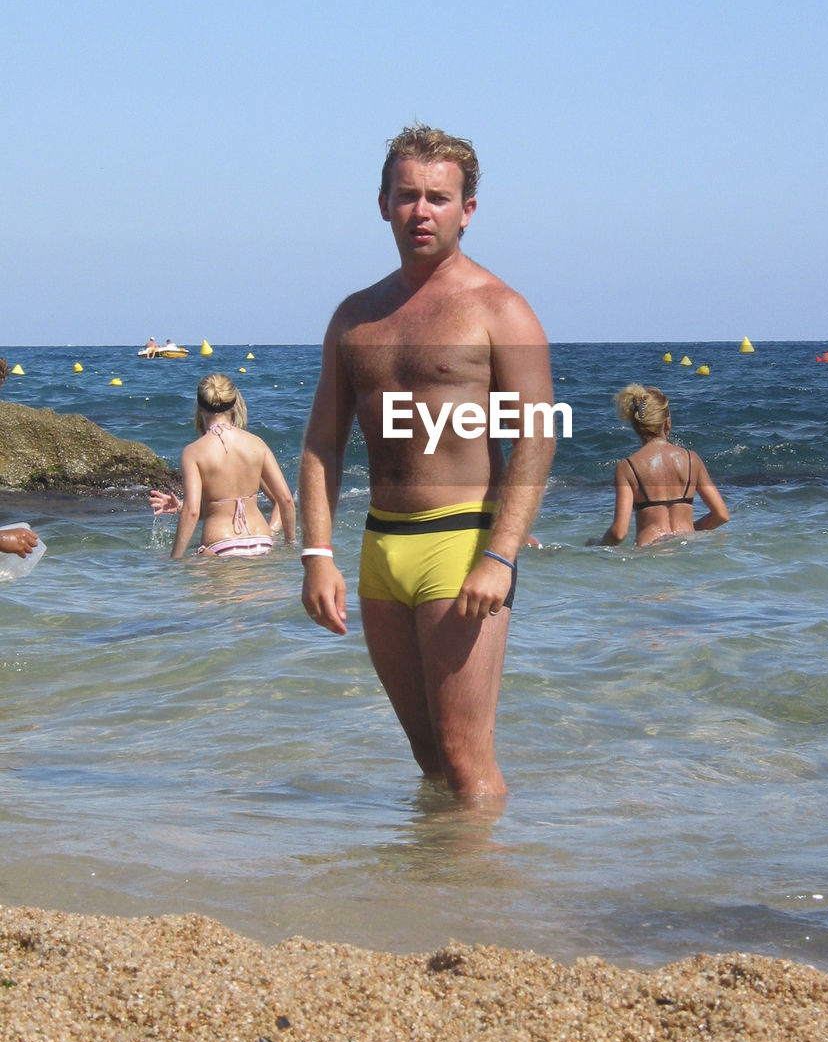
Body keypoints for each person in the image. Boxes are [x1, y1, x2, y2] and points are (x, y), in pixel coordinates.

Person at [299, 125, 555, 797]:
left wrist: (500, 558)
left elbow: (537, 437)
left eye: (438, 198)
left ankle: (483, 900)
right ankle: (436, 898)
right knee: (431, 761)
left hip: (463, 540)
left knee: (467, 762)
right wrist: (316, 555)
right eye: (407, 195)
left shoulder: (500, 309)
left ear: (467, 210)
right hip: (383, 546)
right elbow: (322, 443)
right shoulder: (357, 317)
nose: (421, 211)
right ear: (382, 203)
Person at [155, 373, 295, 557]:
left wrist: (174, 561)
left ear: (199, 408)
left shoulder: (193, 452)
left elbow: (193, 512)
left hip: (221, 545)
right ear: (234, 406)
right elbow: (285, 499)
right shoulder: (257, 443)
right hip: (262, 541)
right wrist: (289, 543)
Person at [588, 384, 729, 547]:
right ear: (667, 422)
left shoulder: (628, 467)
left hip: (650, 553)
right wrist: (688, 533)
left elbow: (619, 533)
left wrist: (597, 545)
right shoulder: (692, 460)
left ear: (636, 426)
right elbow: (721, 515)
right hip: (687, 550)